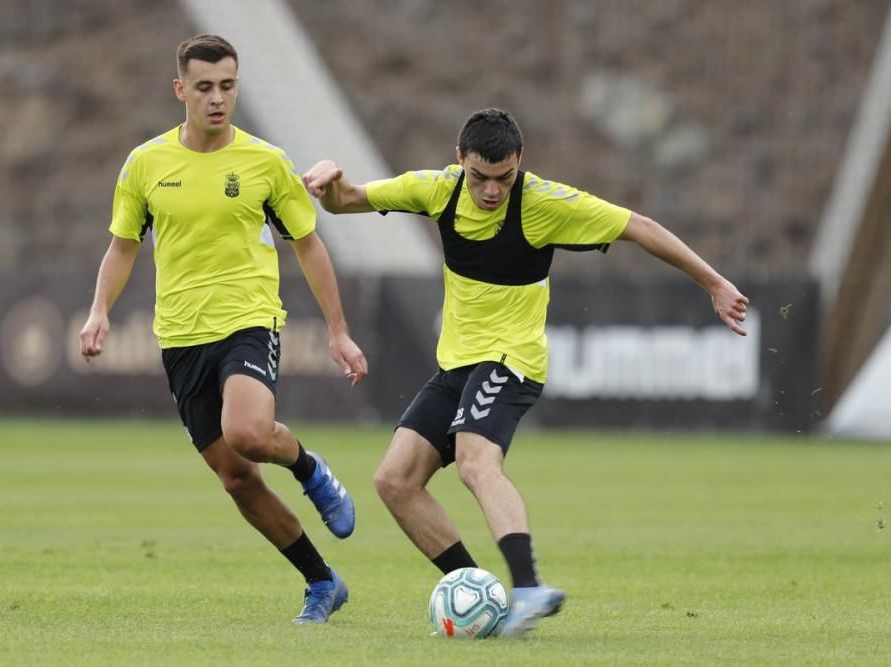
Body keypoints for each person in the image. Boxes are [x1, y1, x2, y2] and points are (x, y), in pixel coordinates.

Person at [302, 108, 748, 637]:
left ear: (520, 165)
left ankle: (528, 587)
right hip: (456, 365)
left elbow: (640, 227)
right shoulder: (436, 190)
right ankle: (477, 592)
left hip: (512, 360)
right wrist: (329, 179)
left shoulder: (545, 204)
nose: (491, 190)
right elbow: (346, 200)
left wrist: (714, 283)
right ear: (459, 160)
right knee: (394, 481)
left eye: (504, 178)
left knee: (474, 461)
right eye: (480, 178)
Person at [79, 34, 368, 625]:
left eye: (228, 86)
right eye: (205, 87)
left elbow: (310, 246)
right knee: (238, 479)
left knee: (249, 433)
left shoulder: (266, 162)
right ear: (180, 89)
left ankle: (310, 470)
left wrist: (338, 331)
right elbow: (123, 246)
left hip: (248, 319)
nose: (217, 99)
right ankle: (321, 582)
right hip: (180, 338)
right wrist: (99, 310)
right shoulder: (145, 164)